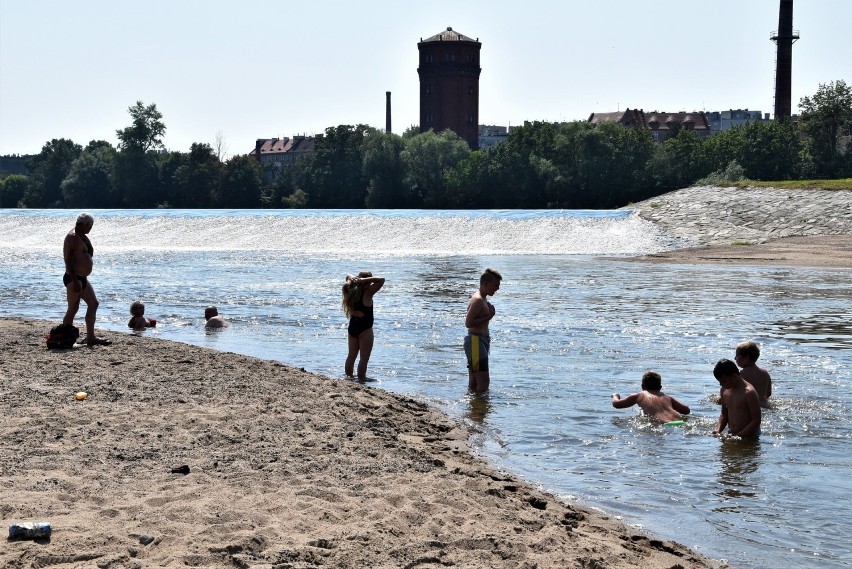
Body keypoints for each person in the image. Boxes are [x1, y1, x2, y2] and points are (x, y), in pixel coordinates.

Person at [63, 212, 111, 346]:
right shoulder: (72, 237)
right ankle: (64, 337)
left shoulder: (82, 236)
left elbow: (90, 252)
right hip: (74, 278)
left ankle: (91, 337)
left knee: (93, 303)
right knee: (73, 308)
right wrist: (74, 279)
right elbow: (67, 260)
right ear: (84, 224)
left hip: (82, 278)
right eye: (90, 226)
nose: (91, 228)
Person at [464, 268, 502, 393]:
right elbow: (468, 323)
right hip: (475, 342)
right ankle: (480, 409)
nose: (497, 289)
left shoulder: (483, 298)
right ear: (486, 283)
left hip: (480, 342)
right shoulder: (478, 300)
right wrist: (489, 317)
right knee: (484, 381)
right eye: (495, 285)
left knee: (475, 381)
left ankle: (473, 409)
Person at [342, 271, 385, 379]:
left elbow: (347, 276)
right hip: (365, 329)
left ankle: (349, 377)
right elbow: (381, 280)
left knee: (351, 356)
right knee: (364, 358)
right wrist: (364, 280)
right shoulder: (368, 292)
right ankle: (362, 378)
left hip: (353, 327)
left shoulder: (350, 291)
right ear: (367, 282)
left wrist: (355, 279)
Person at [611, 371, 691, 422]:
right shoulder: (667, 397)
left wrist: (615, 395)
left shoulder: (639, 395)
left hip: (663, 423)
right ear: (660, 387)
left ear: (643, 386)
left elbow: (616, 404)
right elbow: (686, 410)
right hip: (679, 420)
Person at [713, 358, 762, 437]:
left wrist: (739, 436)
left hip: (750, 437)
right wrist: (718, 430)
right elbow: (724, 414)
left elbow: (756, 420)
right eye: (719, 382)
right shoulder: (724, 390)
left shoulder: (749, 393)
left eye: (724, 381)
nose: (721, 384)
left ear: (735, 376)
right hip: (732, 434)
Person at [735, 340, 772, 408]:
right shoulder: (765, 373)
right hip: (765, 406)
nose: (735, 358)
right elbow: (769, 393)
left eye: (737, 355)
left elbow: (735, 393)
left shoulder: (742, 374)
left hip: (751, 407)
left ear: (746, 358)